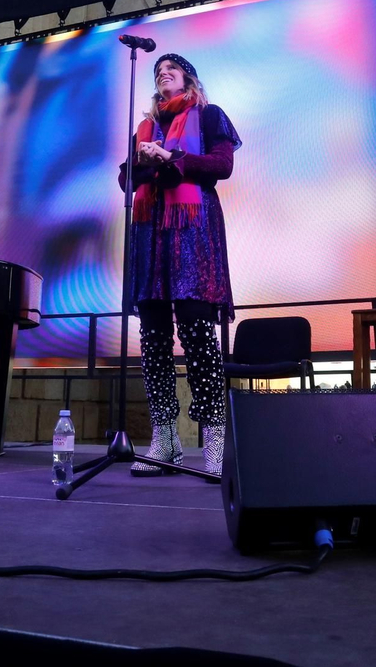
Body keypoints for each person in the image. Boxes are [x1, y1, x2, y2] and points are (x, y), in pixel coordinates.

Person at [118, 53, 241, 477]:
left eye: (170, 68)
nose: (162, 72)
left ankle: (214, 439)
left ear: (187, 76)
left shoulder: (208, 115)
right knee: (152, 335)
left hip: (192, 228)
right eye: (157, 70)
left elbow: (222, 165)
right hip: (151, 230)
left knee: (196, 328)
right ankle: (164, 439)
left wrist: (173, 159)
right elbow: (124, 181)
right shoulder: (145, 128)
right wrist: (141, 162)